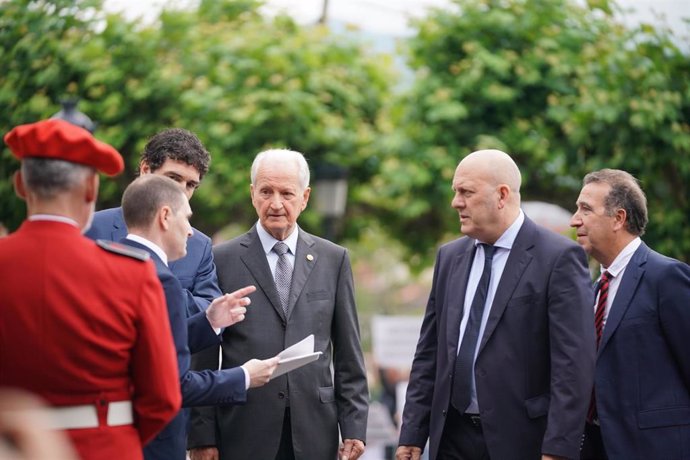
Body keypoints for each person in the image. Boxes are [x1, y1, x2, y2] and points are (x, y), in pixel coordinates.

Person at [396, 149, 596, 460]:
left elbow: (573, 365)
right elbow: (430, 354)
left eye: (466, 192)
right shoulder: (449, 257)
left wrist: (558, 448)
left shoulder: (558, 258)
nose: (455, 202)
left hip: (521, 442)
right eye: (455, 192)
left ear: (502, 195)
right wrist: (412, 432)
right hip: (451, 438)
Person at [0, 119, 181, 459]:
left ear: (21, 185)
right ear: (90, 189)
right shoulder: (132, 273)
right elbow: (162, 398)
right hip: (105, 446)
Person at [188, 149, 368, 460]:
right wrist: (202, 436)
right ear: (252, 194)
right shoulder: (221, 259)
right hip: (243, 429)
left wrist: (354, 427)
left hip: (315, 430)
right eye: (266, 191)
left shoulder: (333, 259)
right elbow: (203, 354)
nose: (275, 203)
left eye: (286, 193)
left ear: (305, 197)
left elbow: (349, 353)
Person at [118, 175, 279, 460]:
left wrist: (209, 322)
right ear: (165, 216)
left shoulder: (110, 263)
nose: (191, 232)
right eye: (187, 219)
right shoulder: (159, 279)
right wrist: (244, 376)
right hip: (150, 441)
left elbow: (146, 348)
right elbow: (173, 383)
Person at [570, 169, 690, 460]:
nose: (575, 220)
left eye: (585, 209)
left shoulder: (666, 276)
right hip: (597, 447)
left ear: (619, 218)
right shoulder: (594, 287)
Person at [85, 127, 221, 315]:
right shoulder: (93, 228)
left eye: (190, 185)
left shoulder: (200, 245)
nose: (181, 191)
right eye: (173, 178)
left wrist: (158, 293)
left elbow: (210, 310)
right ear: (146, 170)